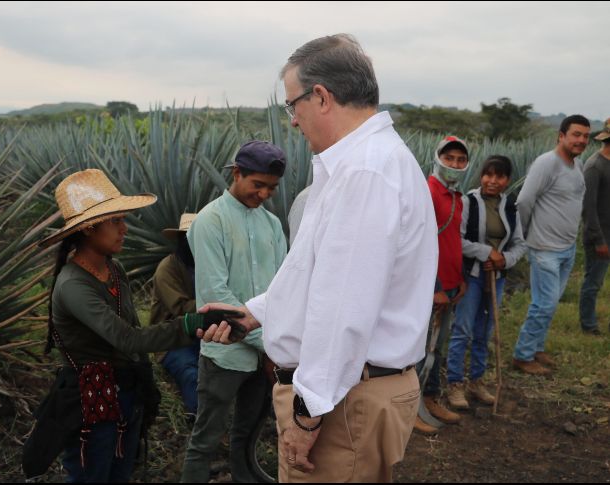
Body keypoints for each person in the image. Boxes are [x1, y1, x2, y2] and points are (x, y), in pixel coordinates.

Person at [203, 34, 438, 482]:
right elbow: (316, 274)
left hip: (343, 401)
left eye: (294, 105)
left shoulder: (365, 173)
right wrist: (254, 314)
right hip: (350, 392)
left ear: (323, 97)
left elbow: (343, 310)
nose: (293, 121)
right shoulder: (360, 165)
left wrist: (306, 416)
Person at [22, 169, 239, 483]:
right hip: (92, 396)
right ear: (89, 229)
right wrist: (192, 323)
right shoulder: (73, 285)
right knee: (93, 471)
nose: (125, 229)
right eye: (116, 221)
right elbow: (127, 337)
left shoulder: (114, 268)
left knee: (122, 468)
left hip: (126, 388)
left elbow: (132, 328)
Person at [180, 140, 288, 483]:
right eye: (257, 185)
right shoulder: (210, 221)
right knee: (205, 439)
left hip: (264, 355)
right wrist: (270, 344)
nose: (264, 194)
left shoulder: (272, 225)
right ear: (236, 173)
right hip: (225, 353)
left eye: (271, 188)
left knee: (248, 435)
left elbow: (283, 291)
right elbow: (216, 296)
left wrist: (272, 346)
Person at [445, 155, 526, 409]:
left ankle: (477, 381)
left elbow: (520, 244)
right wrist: (485, 252)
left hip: (497, 278)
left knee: (485, 331)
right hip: (472, 277)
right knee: (462, 329)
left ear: (507, 180)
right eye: (488, 175)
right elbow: (456, 240)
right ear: (481, 176)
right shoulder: (469, 201)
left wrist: (504, 259)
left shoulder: (511, 206)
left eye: (499, 176)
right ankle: (455, 384)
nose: (493, 181)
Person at [512, 115, 590, 375]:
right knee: (544, 304)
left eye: (585, 136)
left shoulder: (576, 166)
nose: (581, 140)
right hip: (544, 247)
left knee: (551, 302)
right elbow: (524, 201)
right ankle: (523, 355)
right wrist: (523, 237)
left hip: (566, 248)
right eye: (576, 134)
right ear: (561, 135)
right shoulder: (547, 163)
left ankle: (536, 347)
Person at [414, 136, 470, 433]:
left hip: (448, 285)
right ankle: (412, 408)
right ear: (437, 159)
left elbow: (451, 242)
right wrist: (433, 286)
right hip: (429, 287)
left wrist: (457, 278)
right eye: (449, 159)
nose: (455, 165)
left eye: (461, 160)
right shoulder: (428, 192)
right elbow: (421, 244)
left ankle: (431, 397)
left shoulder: (455, 196)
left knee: (437, 346)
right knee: (420, 348)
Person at [149, 213, 200, 416]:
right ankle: (195, 416)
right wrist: (219, 306)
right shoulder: (167, 268)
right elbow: (180, 307)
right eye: (190, 238)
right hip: (172, 338)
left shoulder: (207, 265)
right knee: (191, 372)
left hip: (203, 333)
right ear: (182, 240)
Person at [579, 119, 610, 335]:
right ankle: (588, 326)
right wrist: (599, 240)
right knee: (593, 283)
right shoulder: (594, 166)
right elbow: (588, 209)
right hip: (600, 237)